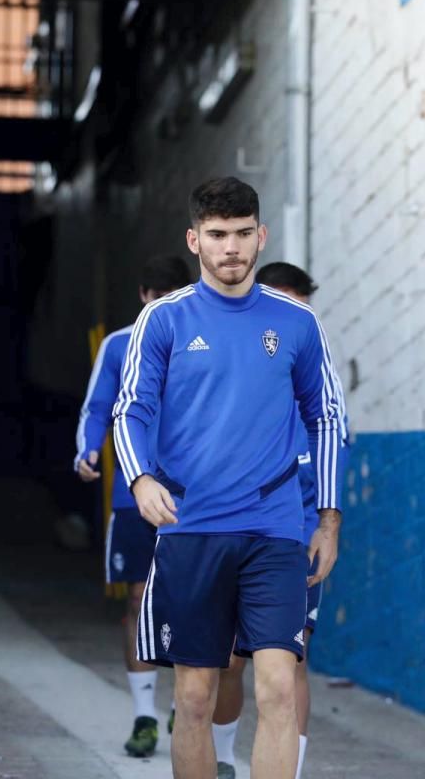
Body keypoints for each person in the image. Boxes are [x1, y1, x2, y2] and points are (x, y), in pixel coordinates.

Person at [113, 177, 347, 779]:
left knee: (276, 686)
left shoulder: (296, 322)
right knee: (194, 696)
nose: (231, 248)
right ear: (195, 240)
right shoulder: (163, 320)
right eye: (217, 235)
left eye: (243, 234)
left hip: (274, 531)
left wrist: (326, 516)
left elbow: (324, 416)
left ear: (261, 235)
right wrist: (140, 479)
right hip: (192, 528)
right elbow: (131, 408)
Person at [211, 262, 332, 779]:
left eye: (299, 304)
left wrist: (328, 524)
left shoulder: (318, 376)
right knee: (229, 662)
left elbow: (332, 441)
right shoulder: (236, 364)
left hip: (294, 539)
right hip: (229, 531)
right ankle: (219, 757)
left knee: (289, 666)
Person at [75, 253, 192, 758]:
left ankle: (187, 701)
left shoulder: (200, 342)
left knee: (193, 603)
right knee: (139, 601)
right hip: (133, 497)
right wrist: (86, 448)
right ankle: (145, 715)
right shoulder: (119, 345)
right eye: (155, 298)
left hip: (197, 498)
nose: (161, 307)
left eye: (171, 299)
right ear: (143, 297)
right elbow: (98, 404)